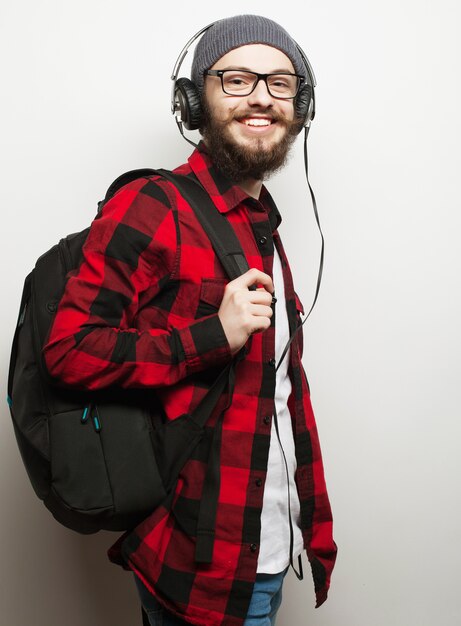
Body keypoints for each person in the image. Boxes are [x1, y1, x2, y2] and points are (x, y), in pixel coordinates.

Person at [43, 14, 337, 626]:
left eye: (280, 83)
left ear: (299, 106)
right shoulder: (153, 207)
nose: (261, 96)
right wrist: (211, 336)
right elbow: (69, 350)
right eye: (236, 79)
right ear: (193, 101)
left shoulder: (262, 226)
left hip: (269, 549)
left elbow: (276, 398)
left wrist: (313, 526)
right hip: (199, 565)